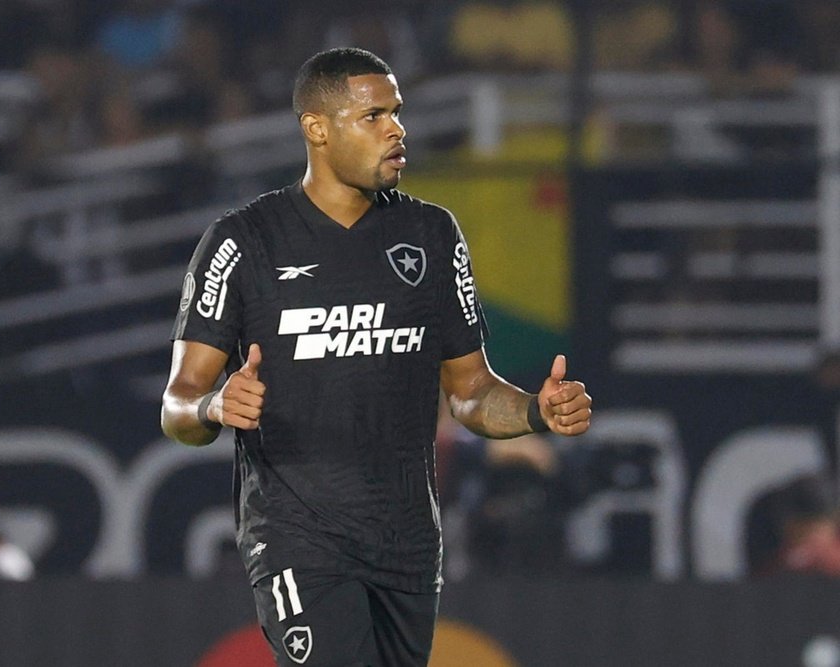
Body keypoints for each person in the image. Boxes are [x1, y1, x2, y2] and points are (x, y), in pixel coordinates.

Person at [160, 47, 592, 666]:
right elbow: (176, 406)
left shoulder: (433, 235)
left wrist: (535, 411)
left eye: (398, 112)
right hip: (299, 541)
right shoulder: (244, 242)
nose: (397, 130)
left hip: (409, 546)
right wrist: (214, 404)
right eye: (373, 116)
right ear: (317, 128)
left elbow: (470, 392)